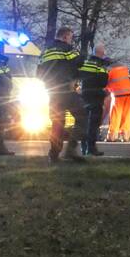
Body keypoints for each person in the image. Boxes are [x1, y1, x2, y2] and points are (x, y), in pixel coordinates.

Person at [37, 27, 88, 162]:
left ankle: (53, 154)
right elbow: (79, 64)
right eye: (71, 37)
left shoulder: (46, 52)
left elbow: (39, 73)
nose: (71, 40)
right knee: (83, 116)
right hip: (66, 89)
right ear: (65, 37)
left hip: (52, 91)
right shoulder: (67, 49)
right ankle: (71, 149)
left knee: (57, 122)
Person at [78, 44, 110, 157]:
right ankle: (91, 148)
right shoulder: (101, 66)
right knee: (93, 124)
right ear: (101, 53)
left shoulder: (86, 63)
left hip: (85, 94)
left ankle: (83, 147)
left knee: (85, 123)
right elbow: (103, 83)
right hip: (96, 96)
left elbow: (79, 77)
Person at [106, 63, 130, 142]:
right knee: (127, 114)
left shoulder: (110, 72)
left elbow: (106, 84)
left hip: (118, 95)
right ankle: (125, 136)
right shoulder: (124, 69)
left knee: (116, 114)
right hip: (128, 93)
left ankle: (112, 136)